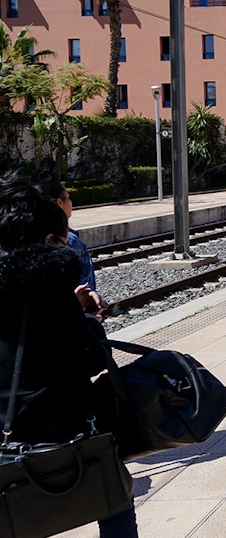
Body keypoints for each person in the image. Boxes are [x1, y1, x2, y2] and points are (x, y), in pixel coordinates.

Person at [0, 176, 138, 537]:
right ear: (48, 241)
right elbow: (89, 360)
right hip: (59, 426)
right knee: (115, 502)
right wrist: (88, 320)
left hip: (5, 431)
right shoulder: (49, 292)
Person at [36, 179, 109, 311]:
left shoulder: (35, 238)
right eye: (68, 197)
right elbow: (83, 283)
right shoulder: (69, 241)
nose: (70, 202)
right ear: (59, 203)